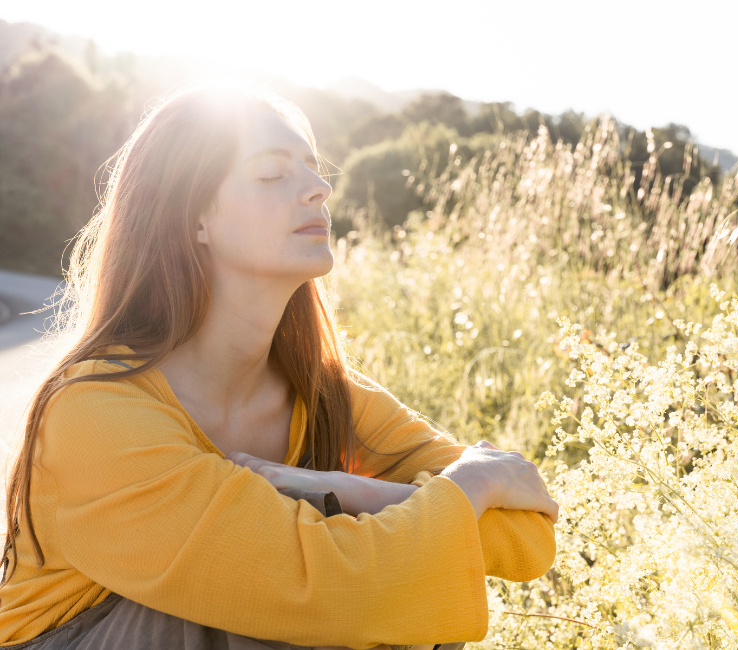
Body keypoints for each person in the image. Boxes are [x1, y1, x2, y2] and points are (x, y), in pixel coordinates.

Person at [0, 83, 558, 650]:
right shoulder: (95, 412)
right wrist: (463, 491)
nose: (319, 189)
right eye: (273, 175)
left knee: (406, 569)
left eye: (315, 171)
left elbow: (530, 535)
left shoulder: (322, 394)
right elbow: (338, 592)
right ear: (192, 218)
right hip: (76, 637)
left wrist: (349, 490)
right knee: (312, 598)